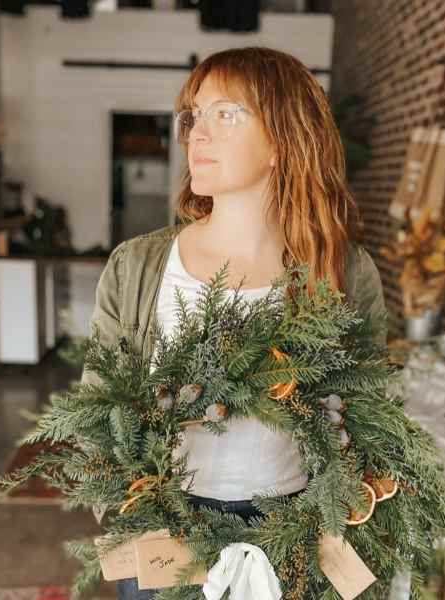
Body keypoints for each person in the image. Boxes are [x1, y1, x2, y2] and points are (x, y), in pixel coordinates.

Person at [82, 46, 387, 600]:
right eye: (194, 115)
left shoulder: (343, 271)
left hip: (293, 541)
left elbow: (368, 414)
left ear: (284, 139)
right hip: (165, 536)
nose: (196, 134)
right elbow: (100, 410)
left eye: (226, 114)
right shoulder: (137, 266)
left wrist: (340, 511)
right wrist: (131, 511)